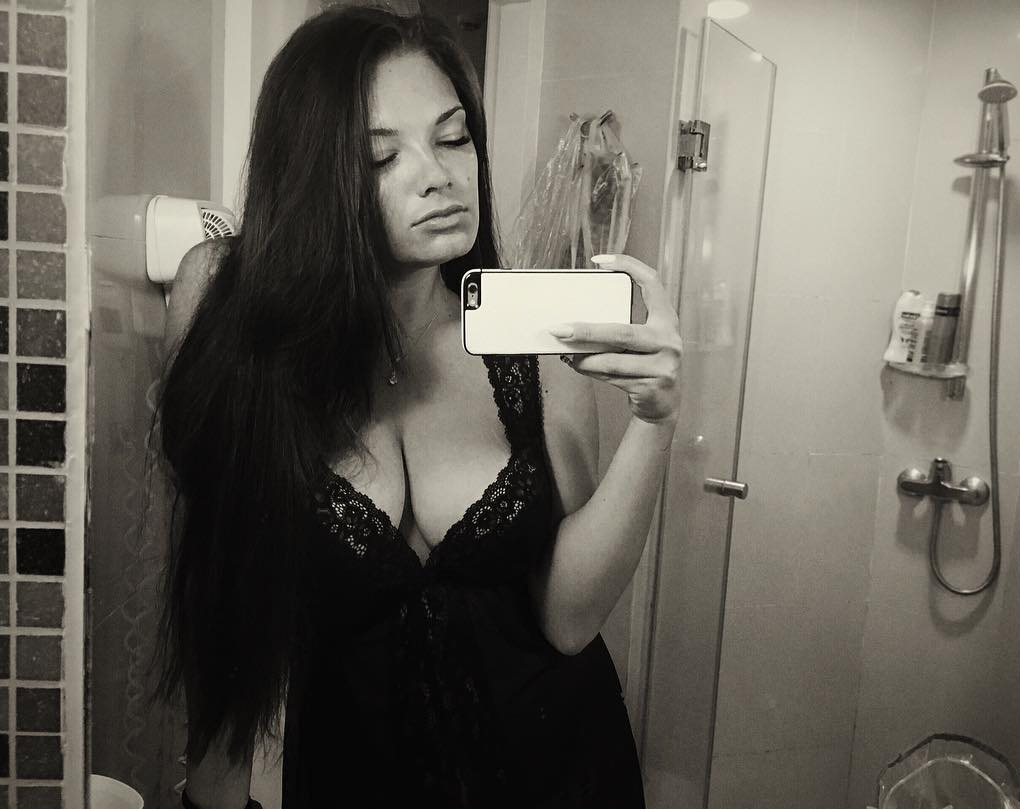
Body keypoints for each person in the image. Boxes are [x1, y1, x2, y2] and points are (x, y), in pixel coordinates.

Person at [149, 5, 683, 808]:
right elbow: (223, 600)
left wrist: (654, 420)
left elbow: (569, 618)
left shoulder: (533, 340)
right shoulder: (247, 335)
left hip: (564, 773)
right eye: (382, 155)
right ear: (313, 177)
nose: (439, 174)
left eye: (453, 137)